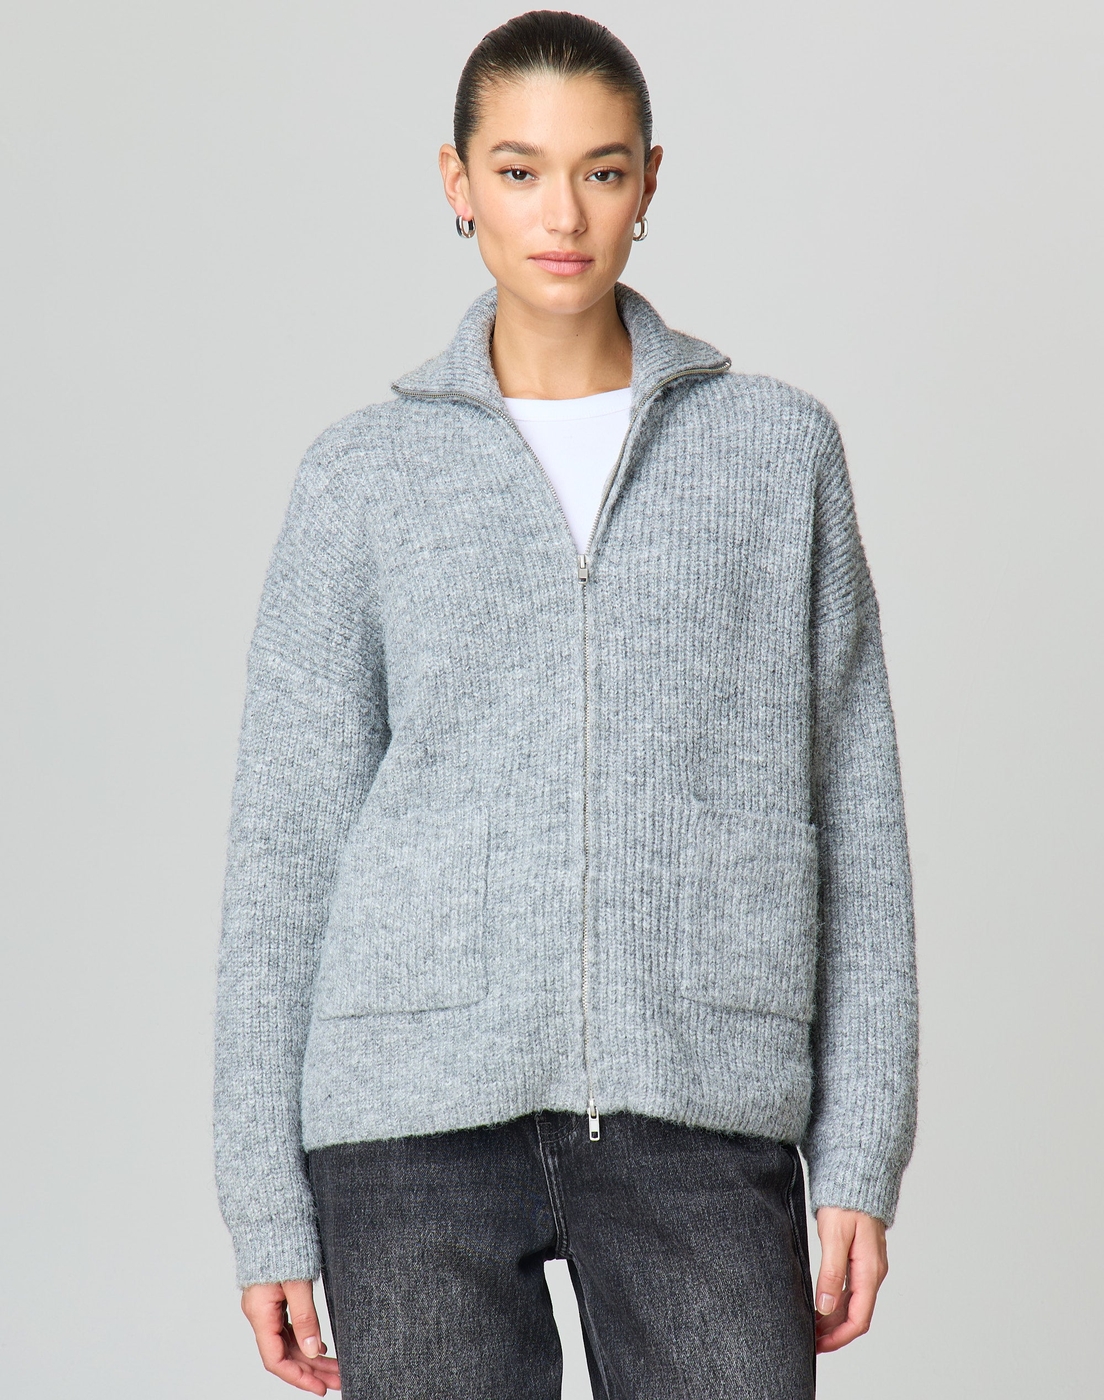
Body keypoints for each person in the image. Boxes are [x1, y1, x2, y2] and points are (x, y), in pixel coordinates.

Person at [213, 11, 919, 1398]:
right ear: (457, 182)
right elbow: (284, 849)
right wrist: (262, 1205)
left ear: (650, 182)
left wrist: (860, 1153)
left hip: (696, 1095)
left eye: (601, 171)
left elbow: (858, 813)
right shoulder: (362, 475)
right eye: (520, 170)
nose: (563, 215)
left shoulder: (776, 451)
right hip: (409, 1120)